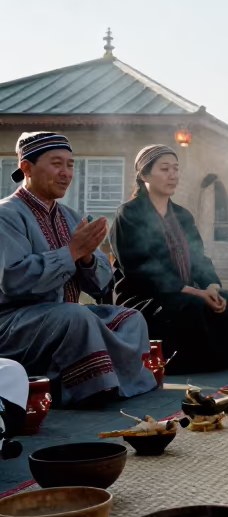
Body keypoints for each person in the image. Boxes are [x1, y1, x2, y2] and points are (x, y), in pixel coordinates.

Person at [0, 132, 153, 406]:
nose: (66, 173)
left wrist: (87, 259)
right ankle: (89, 388)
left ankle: (113, 382)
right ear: (27, 167)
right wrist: (72, 251)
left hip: (65, 317)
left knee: (131, 318)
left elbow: (101, 285)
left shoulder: (70, 217)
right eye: (57, 163)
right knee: (75, 316)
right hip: (14, 322)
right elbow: (12, 279)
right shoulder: (6, 215)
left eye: (70, 165)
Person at [109, 145, 228, 374]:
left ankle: (226, 365)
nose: (173, 175)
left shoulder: (182, 215)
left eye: (176, 169)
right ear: (144, 175)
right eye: (165, 169)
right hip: (145, 298)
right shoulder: (129, 214)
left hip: (185, 292)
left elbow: (199, 258)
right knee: (190, 305)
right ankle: (187, 365)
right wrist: (196, 293)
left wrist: (211, 287)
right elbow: (141, 270)